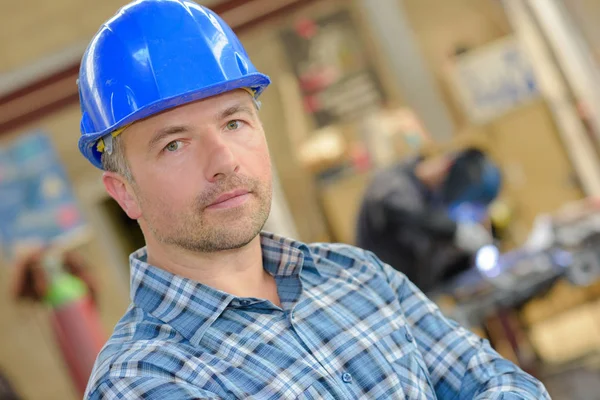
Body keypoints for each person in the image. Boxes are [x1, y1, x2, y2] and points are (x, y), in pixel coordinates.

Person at [78, 1, 548, 398]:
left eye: (234, 122)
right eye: (173, 144)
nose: (223, 160)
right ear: (124, 192)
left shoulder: (357, 276)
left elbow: (503, 382)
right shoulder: (141, 380)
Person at [356, 147, 502, 293]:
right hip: (378, 291)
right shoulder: (391, 184)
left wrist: (467, 260)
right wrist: (455, 231)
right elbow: (410, 216)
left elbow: (433, 270)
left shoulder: (432, 204)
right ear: (446, 168)